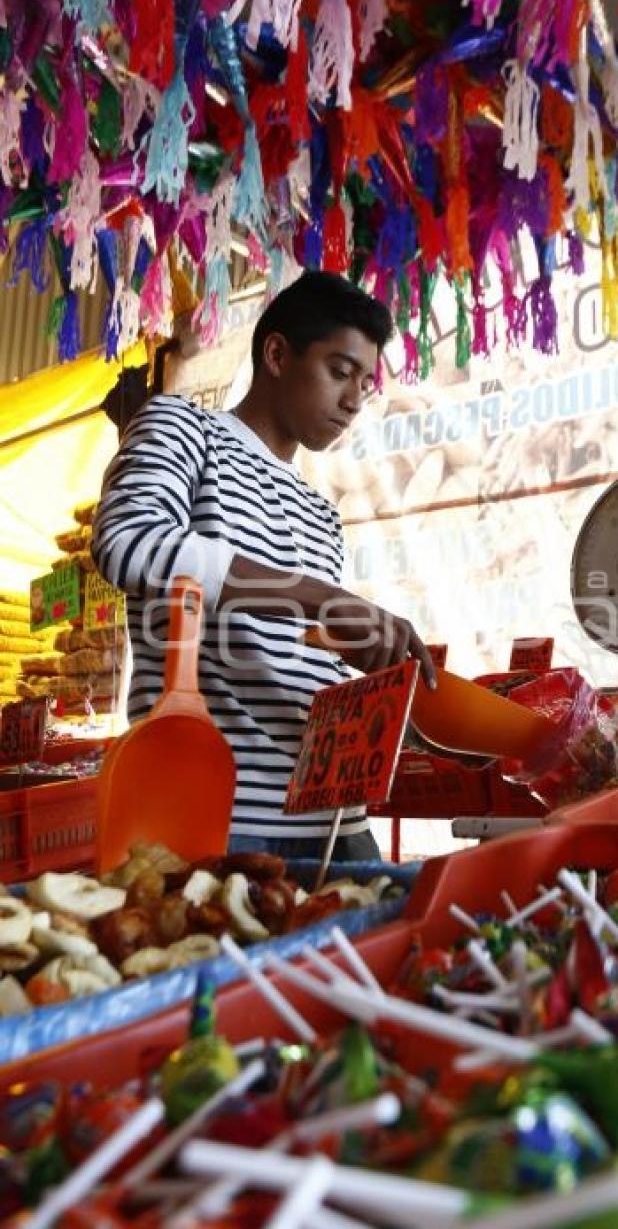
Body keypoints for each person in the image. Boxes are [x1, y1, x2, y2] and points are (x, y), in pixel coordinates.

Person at [92, 271, 436, 860]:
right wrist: (319, 598)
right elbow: (129, 539)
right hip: (217, 815)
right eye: (340, 371)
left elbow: (297, 639)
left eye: (366, 383)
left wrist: (369, 665)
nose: (355, 400)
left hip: (332, 825)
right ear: (276, 354)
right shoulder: (184, 428)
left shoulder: (320, 512)